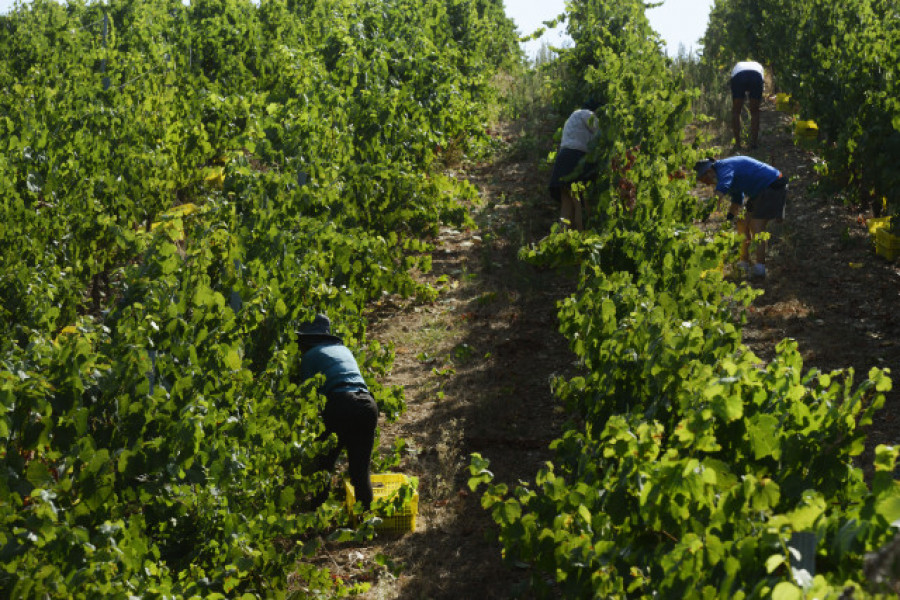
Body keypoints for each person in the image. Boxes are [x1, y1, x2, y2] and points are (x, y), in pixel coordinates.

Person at [298, 313, 378, 509]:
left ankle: (317, 511)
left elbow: (305, 396)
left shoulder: (310, 356)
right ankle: (366, 521)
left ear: (308, 339)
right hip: (367, 404)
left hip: (341, 402)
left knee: (324, 461)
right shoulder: (342, 349)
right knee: (360, 470)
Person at [694, 156, 787, 279]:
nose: (706, 183)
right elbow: (738, 197)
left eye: (704, 180)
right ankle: (744, 262)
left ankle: (760, 268)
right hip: (759, 191)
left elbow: (723, 187)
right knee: (742, 223)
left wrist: (708, 209)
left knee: (756, 226)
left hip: (772, 185)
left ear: (709, 172)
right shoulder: (723, 172)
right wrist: (730, 216)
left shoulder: (723, 168)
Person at [548, 99, 601, 230]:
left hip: (562, 160)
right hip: (576, 159)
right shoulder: (588, 115)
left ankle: (561, 242)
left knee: (566, 206)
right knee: (580, 204)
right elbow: (601, 136)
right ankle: (583, 240)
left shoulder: (571, 118)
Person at [730, 61, 764, 149]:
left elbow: (732, 78)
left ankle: (737, 144)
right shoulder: (758, 65)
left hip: (739, 75)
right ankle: (754, 144)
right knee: (755, 112)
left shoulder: (737, 65)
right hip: (756, 76)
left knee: (736, 111)